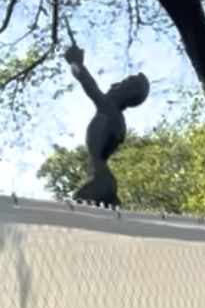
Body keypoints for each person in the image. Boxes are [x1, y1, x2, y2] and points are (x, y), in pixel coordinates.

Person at [64, 44, 150, 207]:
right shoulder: (117, 119)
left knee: (74, 213)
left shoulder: (109, 109)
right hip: (104, 181)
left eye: (121, 84)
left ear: (126, 94)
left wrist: (76, 63)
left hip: (100, 181)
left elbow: (90, 86)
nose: (114, 84)